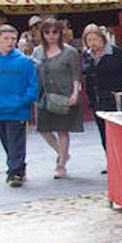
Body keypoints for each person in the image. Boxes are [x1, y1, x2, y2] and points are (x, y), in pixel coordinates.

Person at [32, 17, 84, 178]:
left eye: (55, 32)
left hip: (64, 94)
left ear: (61, 33)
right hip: (44, 94)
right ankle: (62, 153)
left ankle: (61, 164)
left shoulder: (70, 52)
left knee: (63, 130)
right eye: (47, 32)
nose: (51, 35)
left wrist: (75, 93)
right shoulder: (37, 51)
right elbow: (33, 73)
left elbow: (76, 75)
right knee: (44, 129)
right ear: (42, 34)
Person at [81, 24, 122, 171]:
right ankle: (111, 161)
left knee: (118, 132)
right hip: (97, 99)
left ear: (102, 39)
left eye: (95, 39)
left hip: (114, 98)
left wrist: (121, 88)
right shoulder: (87, 55)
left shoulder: (116, 53)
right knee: (103, 132)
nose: (93, 43)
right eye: (89, 40)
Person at [0, 24, 38, 187]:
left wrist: (23, 101)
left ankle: (15, 173)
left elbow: (33, 85)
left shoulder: (24, 61)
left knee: (16, 141)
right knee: (6, 141)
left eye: (13, 39)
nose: (10, 42)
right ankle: (18, 168)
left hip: (17, 110)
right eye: (6, 39)